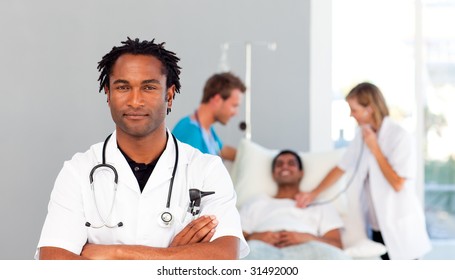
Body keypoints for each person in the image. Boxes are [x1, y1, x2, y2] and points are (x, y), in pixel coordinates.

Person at [36, 38, 248, 260]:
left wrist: (113, 253)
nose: (135, 101)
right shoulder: (77, 171)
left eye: (148, 87)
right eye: (123, 87)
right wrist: (176, 256)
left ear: (169, 94)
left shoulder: (207, 170)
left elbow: (224, 256)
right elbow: (54, 262)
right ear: (108, 93)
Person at [296, 82, 432, 260]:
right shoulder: (362, 135)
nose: (351, 114)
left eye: (354, 109)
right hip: (377, 226)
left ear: (370, 109)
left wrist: (375, 149)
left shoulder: (400, 137)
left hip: (399, 227)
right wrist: (313, 194)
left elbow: (398, 184)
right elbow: (341, 168)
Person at [239, 150, 350, 260]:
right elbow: (233, 242)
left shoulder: (319, 204)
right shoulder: (255, 203)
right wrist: (255, 238)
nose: (285, 167)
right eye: (279, 164)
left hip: (310, 250)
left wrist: (307, 238)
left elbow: (337, 245)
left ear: (301, 173)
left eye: (291, 164)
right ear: (273, 174)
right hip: (259, 250)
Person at [172, 72, 246, 161]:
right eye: (234, 106)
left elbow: (222, 150)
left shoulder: (207, 129)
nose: (236, 113)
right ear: (217, 100)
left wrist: (250, 156)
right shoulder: (190, 133)